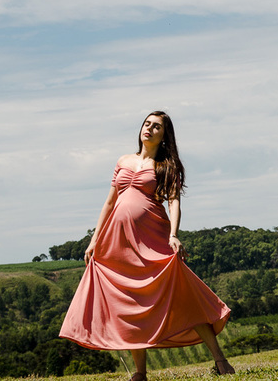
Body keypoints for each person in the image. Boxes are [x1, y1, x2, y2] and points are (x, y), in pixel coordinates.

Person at [60, 111, 235, 380]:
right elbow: (109, 202)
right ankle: (140, 373)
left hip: (153, 239)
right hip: (118, 244)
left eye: (157, 127)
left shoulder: (167, 165)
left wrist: (174, 235)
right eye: (147, 124)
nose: (150, 129)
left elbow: (174, 201)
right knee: (128, 304)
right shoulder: (123, 160)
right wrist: (94, 239)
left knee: (184, 295)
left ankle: (220, 360)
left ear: (164, 136)